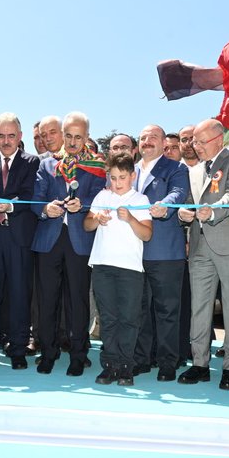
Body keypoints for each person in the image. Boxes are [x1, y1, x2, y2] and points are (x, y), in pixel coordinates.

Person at [177, 118, 229, 391]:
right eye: (193, 141)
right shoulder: (195, 169)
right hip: (198, 245)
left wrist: (212, 213)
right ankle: (199, 363)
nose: (196, 147)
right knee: (199, 307)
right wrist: (184, 214)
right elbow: (190, 203)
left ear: (219, 139)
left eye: (201, 141)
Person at [32, 112, 106, 375]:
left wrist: (82, 204)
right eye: (68, 136)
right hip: (49, 239)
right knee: (47, 299)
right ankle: (47, 353)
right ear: (62, 135)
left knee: (78, 301)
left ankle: (78, 354)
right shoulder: (47, 164)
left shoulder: (97, 165)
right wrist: (46, 208)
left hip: (80, 240)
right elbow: (36, 198)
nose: (73, 142)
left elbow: (100, 197)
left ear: (86, 137)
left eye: (78, 137)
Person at [0, 113, 40, 369]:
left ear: (20, 137)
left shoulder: (31, 162)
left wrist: (9, 206)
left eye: (11, 135)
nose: (5, 141)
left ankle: (17, 349)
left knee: (19, 295)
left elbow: (30, 195)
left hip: (19, 238)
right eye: (1, 136)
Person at [84, 153, 153, 385]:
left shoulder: (141, 199)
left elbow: (147, 234)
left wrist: (131, 219)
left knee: (129, 318)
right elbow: (87, 225)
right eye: (113, 177)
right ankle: (110, 364)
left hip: (130, 269)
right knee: (108, 318)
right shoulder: (102, 195)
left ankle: (126, 366)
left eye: (122, 177)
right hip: (102, 265)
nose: (117, 183)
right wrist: (97, 219)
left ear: (132, 176)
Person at [132, 124, 189, 381]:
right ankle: (142, 359)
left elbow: (178, 193)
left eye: (153, 137)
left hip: (165, 251)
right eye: (143, 138)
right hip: (133, 251)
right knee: (139, 309)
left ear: (164, 142)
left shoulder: (176, 168)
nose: (147, 141)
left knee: (167, 310)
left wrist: (163, 205)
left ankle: (168, 362)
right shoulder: (130, 172)